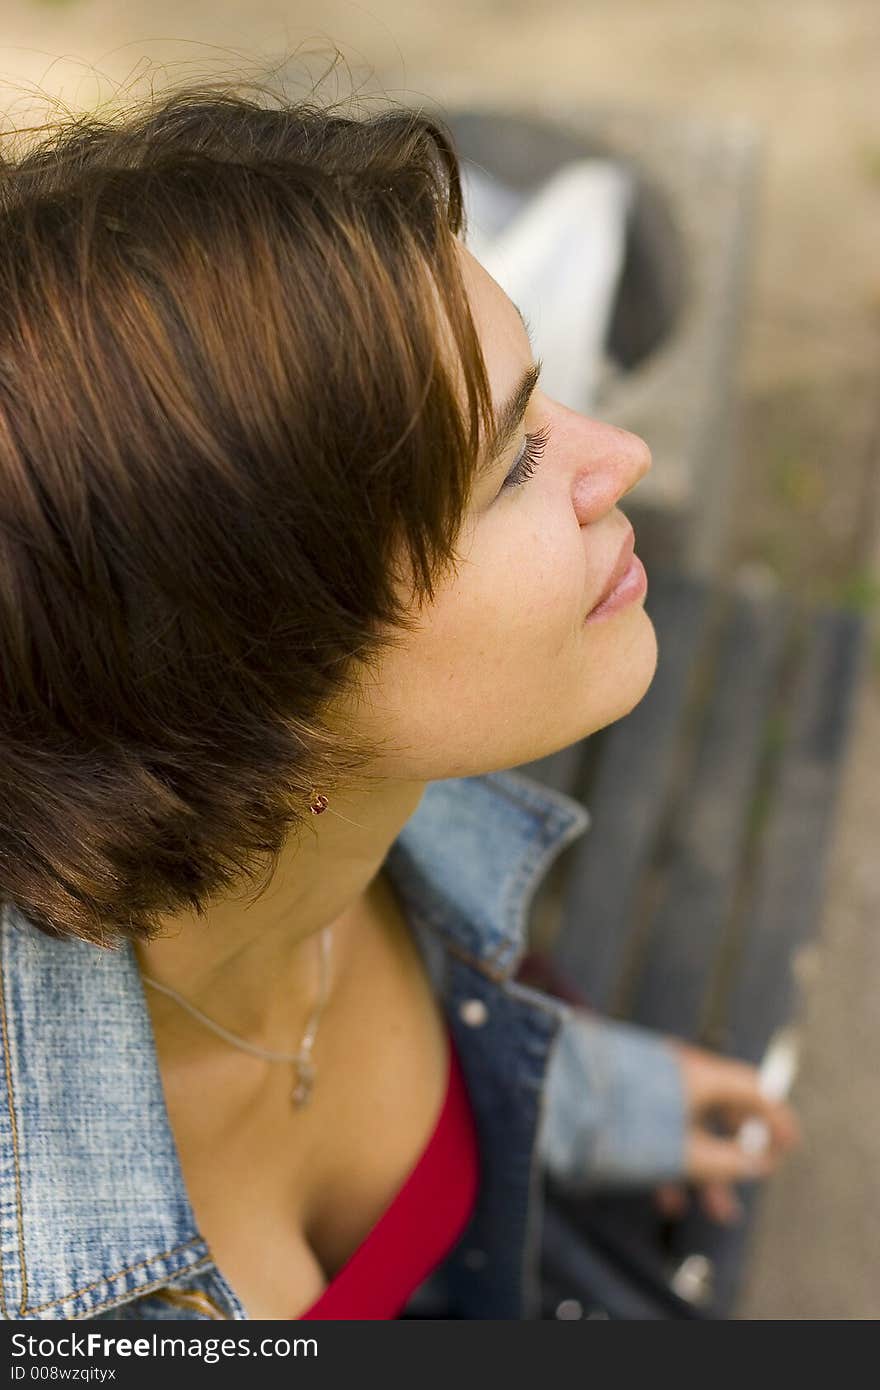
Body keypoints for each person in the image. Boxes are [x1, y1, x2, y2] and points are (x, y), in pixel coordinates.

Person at [0, 75, 797, 1322]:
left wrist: (595, 1100)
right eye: (513, 460)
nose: (619, 456)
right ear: (250, 690)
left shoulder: (385, 815)